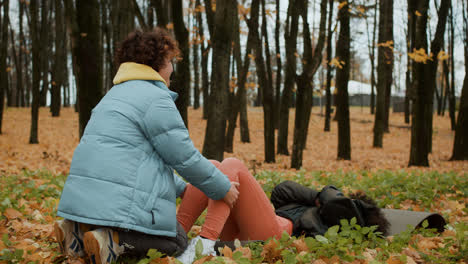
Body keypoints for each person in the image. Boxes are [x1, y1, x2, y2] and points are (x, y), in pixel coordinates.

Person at [54, 28, 239, 264]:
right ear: (157, 63)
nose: (172, 68)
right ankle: (114, 241)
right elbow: (184, 157)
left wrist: (182, 189)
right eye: (170, 61)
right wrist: (222, 187)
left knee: (127, 224)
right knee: (177, 243)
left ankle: (77, 232)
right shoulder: (155, 99)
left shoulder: (112, 96)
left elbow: (139, 164)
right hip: (118, 208)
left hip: (85, 204)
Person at [176, 158, 390, 263]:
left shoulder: (344, 215)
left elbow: (335, 202)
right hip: (253, 228)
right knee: (212, 166)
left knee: (232, 163)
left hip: (276, 235)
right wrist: (315, 197)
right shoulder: (314, 205)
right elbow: (281, 190)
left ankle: (206, 240)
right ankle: (174, 237)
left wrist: (329, 196)